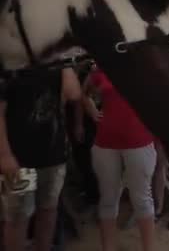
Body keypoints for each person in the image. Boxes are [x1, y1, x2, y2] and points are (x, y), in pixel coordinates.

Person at [0, 67, 82, 251]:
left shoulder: (54, 67)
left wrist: (66, 67)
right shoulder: (9, 68)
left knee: (48, 210)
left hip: (54, 157)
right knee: (18, 218)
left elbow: (74, 94)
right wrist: (4, 155)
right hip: (19, 162)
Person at [81, 65, 156, 251]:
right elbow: (83, 93)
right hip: (105, 142)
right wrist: (91, 109)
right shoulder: (102, 67)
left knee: (142, 199)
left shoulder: (144, 65)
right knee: (108, 198)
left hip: (139, 140)